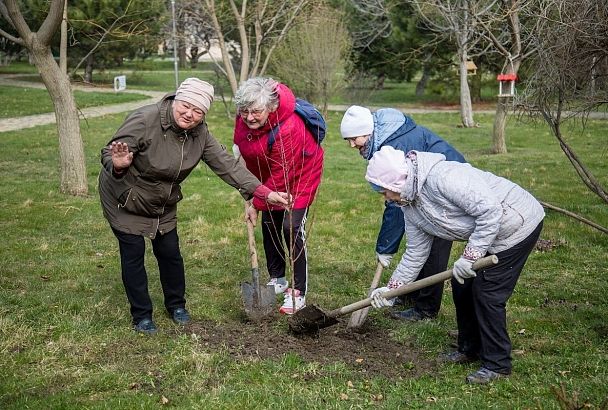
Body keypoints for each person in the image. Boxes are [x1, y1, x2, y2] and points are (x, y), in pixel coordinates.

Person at [99, 77, 290, 334]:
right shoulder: (145, 119)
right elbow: (109, 152)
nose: (189, 114)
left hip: (162, 201)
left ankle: (176, 305)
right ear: (176, 100)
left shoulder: (199, 134)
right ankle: (142, 315)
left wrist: (264, 193)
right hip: (125, 196)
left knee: (170, 253)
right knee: (133, 255)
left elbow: (228, 166)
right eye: (185, 106)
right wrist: (119, 164)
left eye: (198, 111)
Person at [365, 146, 544, 384]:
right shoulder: (410, 207)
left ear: (398, 180)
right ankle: (469, 348)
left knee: (487, 294)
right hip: (491, 232)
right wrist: (392, 290)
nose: (386, 197)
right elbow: (415, 253)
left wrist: (470, 256)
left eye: (385, 190)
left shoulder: (444, 177)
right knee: (462, 286)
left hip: (517, 223)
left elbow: (491, 211)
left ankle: (498, 364)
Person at [340, 105, 466, 322]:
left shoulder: (397, 146)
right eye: (348, 140)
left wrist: (385, 247)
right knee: (417, 242)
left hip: (449, 193)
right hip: (427, 191)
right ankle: (409, 294)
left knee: (434, 246)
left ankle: (426, 308)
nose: (352, 145)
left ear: (368, 132)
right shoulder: (386, 139)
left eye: (354, 138)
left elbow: (396, 205)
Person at [232, 77, 324, 315]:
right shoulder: (244, 120)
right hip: (267, 173)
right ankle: (278, 278)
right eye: (244, 112)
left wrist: (257, 202)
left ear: (271, 107)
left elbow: (282, 174)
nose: (249, 117)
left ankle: (298, 289)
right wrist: (251, 193)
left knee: (290, 226)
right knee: (270, 222)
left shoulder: (289, 127)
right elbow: (242, 150)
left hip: (300, 174)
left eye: (256, 112)